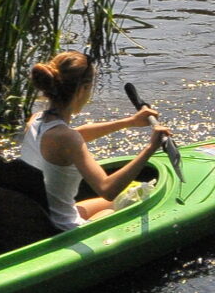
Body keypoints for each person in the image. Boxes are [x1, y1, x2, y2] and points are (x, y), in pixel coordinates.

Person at [20, 51, 172, 231]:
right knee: (124, 202)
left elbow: (76, 135)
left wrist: (129, 122)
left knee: (121, 198)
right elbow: (107, 189)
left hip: (46, 216)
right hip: (63, 228)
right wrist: (150, 147)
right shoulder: (66, 138)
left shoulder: (36, 120)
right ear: (82, 89)